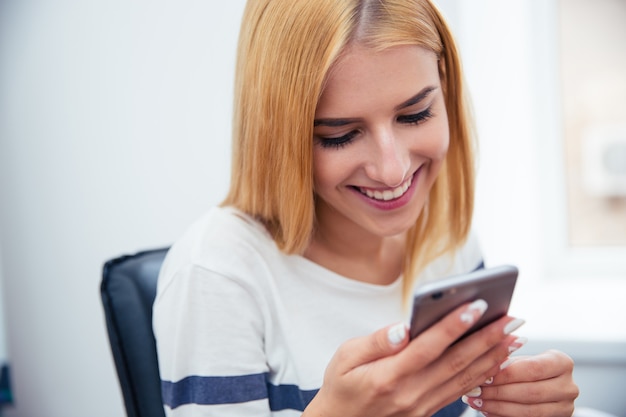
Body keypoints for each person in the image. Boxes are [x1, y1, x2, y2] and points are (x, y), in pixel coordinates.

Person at [153, 0, 579, 416]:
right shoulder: (216, 273)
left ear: (445, 87)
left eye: (415, 114)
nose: (393, 172)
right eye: (339, 136)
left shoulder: (448, 237)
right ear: (276, 135)